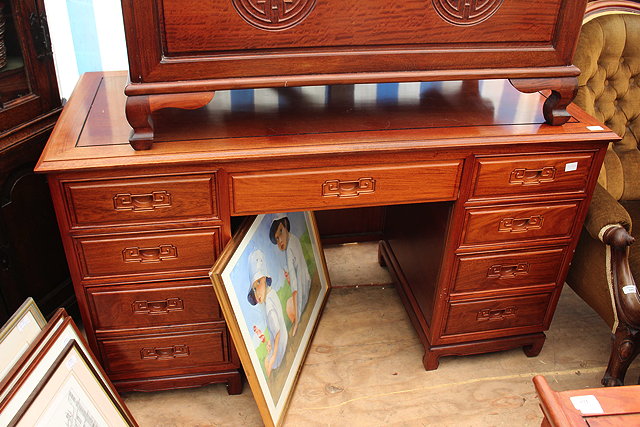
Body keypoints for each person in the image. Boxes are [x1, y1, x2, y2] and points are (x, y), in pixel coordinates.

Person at [247, 249, 288, 377]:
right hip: (280, 339)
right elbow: (274, 331)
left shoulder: (269, 305)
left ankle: (274, 369)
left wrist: (272, 359)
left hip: (281, 343)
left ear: (265, 279)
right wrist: (270, 341)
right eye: (254, 288)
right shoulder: (271, 294)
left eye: (259, 282)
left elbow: (278, 333)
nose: (256, 292)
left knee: (266, 362)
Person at [269, 214, 311, 336]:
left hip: (303, 290)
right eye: (277, 239)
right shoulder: (294, 239)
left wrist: (297, 321)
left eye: (281, 232)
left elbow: (294, 287)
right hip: (306, 280)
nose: (280, 240)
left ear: (286, 225)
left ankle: (296, 320)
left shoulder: (289, 251)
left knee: (288, 304)